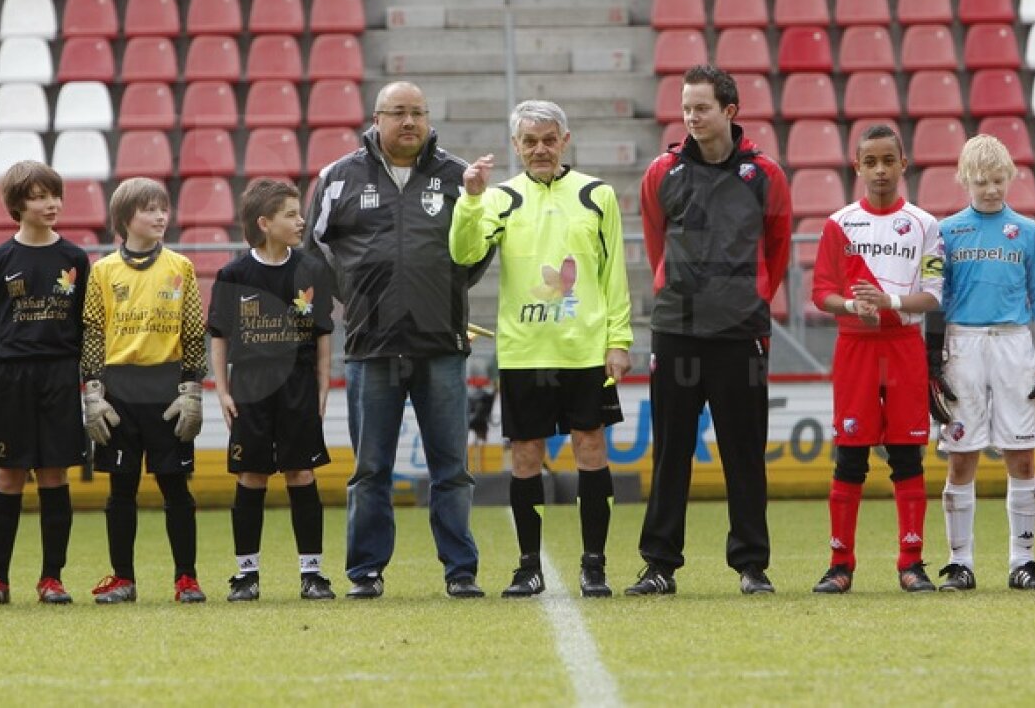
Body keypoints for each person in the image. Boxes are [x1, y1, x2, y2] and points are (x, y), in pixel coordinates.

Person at [305, 81, 486, 599]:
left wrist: (447, 289)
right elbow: (314, 248)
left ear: (429, 119)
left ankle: (460, 569)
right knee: (370, 469)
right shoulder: (337, 178)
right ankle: (365, 571)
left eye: (418, 113)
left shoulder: (457, 176)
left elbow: (476, 248)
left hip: (441, 343)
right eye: (398, 113)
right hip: (370, 343)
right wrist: (354, 294)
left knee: (451, 468)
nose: (409, 122)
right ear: (377, 118)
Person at [450, 100, 633, 598]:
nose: (540, 149)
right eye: (529, 142)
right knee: (526, 457)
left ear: (564, 141)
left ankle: (593, 565)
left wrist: (618, 339)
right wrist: (469, 200)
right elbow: (463, 253)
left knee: (590, 449)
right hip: (525, 351)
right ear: (516, 146)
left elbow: (612, 272)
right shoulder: (498, 199)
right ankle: (528, 566)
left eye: (549, 140)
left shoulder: (598, 195)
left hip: (584, 350)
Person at [630, 65, 791, 596]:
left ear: (730, 110)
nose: (691, 117)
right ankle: (659, 565)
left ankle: (751, 565)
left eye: (701, 107)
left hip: (740, 331)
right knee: (671, 451)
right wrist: (672, 288)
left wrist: (752, 298)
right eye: (686, 107)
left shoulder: (765, 174)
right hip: (677, 328)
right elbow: (657, 241)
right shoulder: (663, 171)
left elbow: (777, 248)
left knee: (744, 453)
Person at [809, 124, 943, 594]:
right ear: (858, 167)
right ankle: (839, 565)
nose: (881, 170)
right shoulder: (839, 223)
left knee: (907, 457)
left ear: (904, 164)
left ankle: (912, 562)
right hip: (856, 350)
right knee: (850, 460)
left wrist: (888, 303)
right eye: (871, 162)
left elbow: (932, 296)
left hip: (903, 349)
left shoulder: (926, 226)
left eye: (889, 160)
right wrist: (851, 306)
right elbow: (821, 292)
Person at [928, 135, 1035, 592]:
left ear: (1010, 178)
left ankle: (1022, 561)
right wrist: (931, 359)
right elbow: (934, 298)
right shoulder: (944, 232)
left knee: (1021, 456)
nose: (991, 190)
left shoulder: (1027, 231)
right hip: (962, 344)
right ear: (966, 180)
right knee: (960, 457)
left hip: (1014, 344)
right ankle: (959, 563)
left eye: (999, 180)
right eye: (981, 181)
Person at [0, 162, 90, 606]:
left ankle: (51, 578)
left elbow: (82, 321)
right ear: (18, 205)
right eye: (39, 196)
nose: (50, 203)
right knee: (9, 475)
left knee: (54, 474)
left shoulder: (74, 258)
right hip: (12, 377)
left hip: (58, 375)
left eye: (54, 194)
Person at [209, 178, 336, 602]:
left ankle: (312, 573)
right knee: (252, 475)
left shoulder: (312, 271)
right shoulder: (233, 274)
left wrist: (322, 386)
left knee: (302, 472)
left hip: (298, 386)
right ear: (265, 223)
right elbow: (220, 337)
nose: (301, 220)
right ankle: (246, 574)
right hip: (250, 387)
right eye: (290, 214)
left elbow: (322, 333)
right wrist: (223, 391)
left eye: (300, 213)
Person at [82, 177, 208, 604]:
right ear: (124, 219)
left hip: (167, 389)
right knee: (121, 489)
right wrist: (92, 392)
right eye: (149, 209)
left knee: (176, 486)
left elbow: (193, 333)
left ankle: (186, 579)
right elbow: (94, 334)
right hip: (118, 391)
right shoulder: (102, 271)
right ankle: (123, 578)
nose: (160, 216)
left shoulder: (181, 266)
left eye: (164, 208)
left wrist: (193, 389)